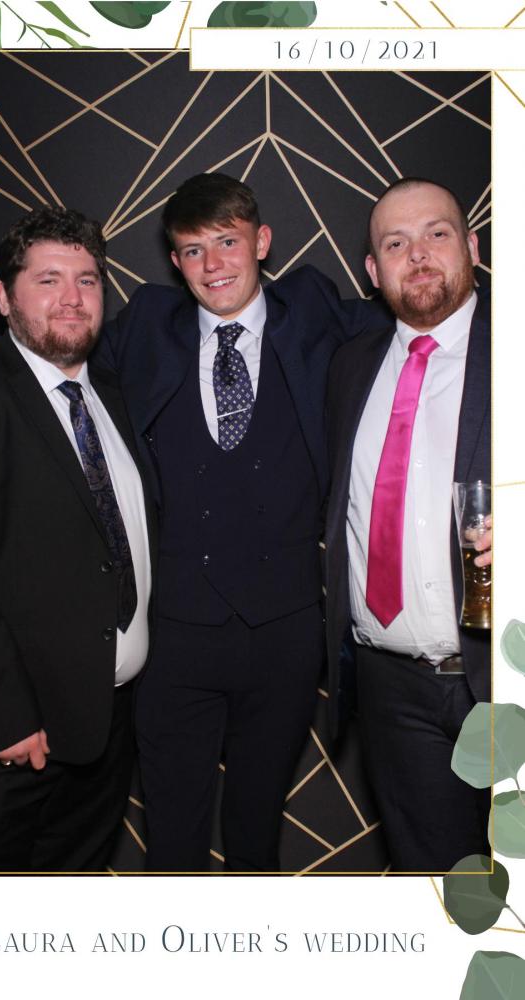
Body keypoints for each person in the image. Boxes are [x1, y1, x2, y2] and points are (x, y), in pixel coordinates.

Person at [0, 173, 363, 873]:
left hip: (286, 638)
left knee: (257, 835)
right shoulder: (144, 325)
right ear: (174, 261)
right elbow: (45, 343)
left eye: (227, 242)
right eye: (193, 250)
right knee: (171, 840)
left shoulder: (314, 307)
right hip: (173, 643)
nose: (213, 264)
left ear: (262, 242)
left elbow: (411, 325)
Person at [0, 206, 155, 872]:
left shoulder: (114, 394)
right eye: (48, 280)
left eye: (87, 280)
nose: (71, 298)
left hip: (108, 729)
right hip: (14, 738)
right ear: (4, 298)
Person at [324, 178, 491, 872]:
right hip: (390, 691)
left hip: (503, 675)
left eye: (436, 234)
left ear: (472, 247)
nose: (417, 255)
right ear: (372, 270)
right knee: (440, 890)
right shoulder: (350, 366)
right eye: (395, 244)